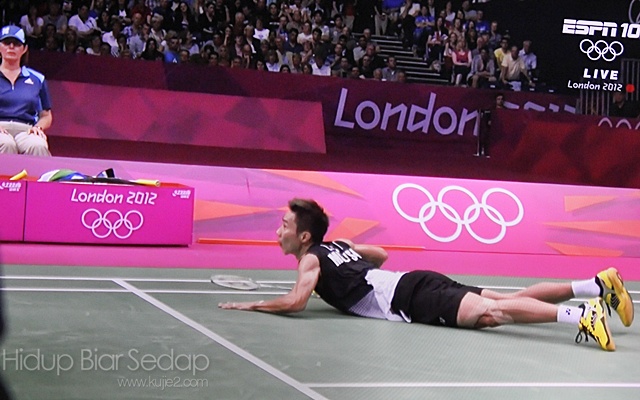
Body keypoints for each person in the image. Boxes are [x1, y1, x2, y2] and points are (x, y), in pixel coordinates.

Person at [220, 199, 635, 352]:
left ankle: (582, 315)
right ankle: (597, 285)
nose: (278, 231)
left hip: (409, 297)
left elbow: (295, 301)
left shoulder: (310, 260)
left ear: (304, 236)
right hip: (414, 280)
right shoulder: (337, 245)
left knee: (492, 314)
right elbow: (380, 254)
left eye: (284, 225)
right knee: (509, 300)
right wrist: (348, 262)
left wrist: (252, 304)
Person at [0, 26, 52, 156]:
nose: (11, 47)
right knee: (6, 144)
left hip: (26, 130)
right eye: (7, 43)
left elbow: (46, 115)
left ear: (24, 49)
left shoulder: (37, 79)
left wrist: (38, 127)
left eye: (17, 44)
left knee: (38, 145)